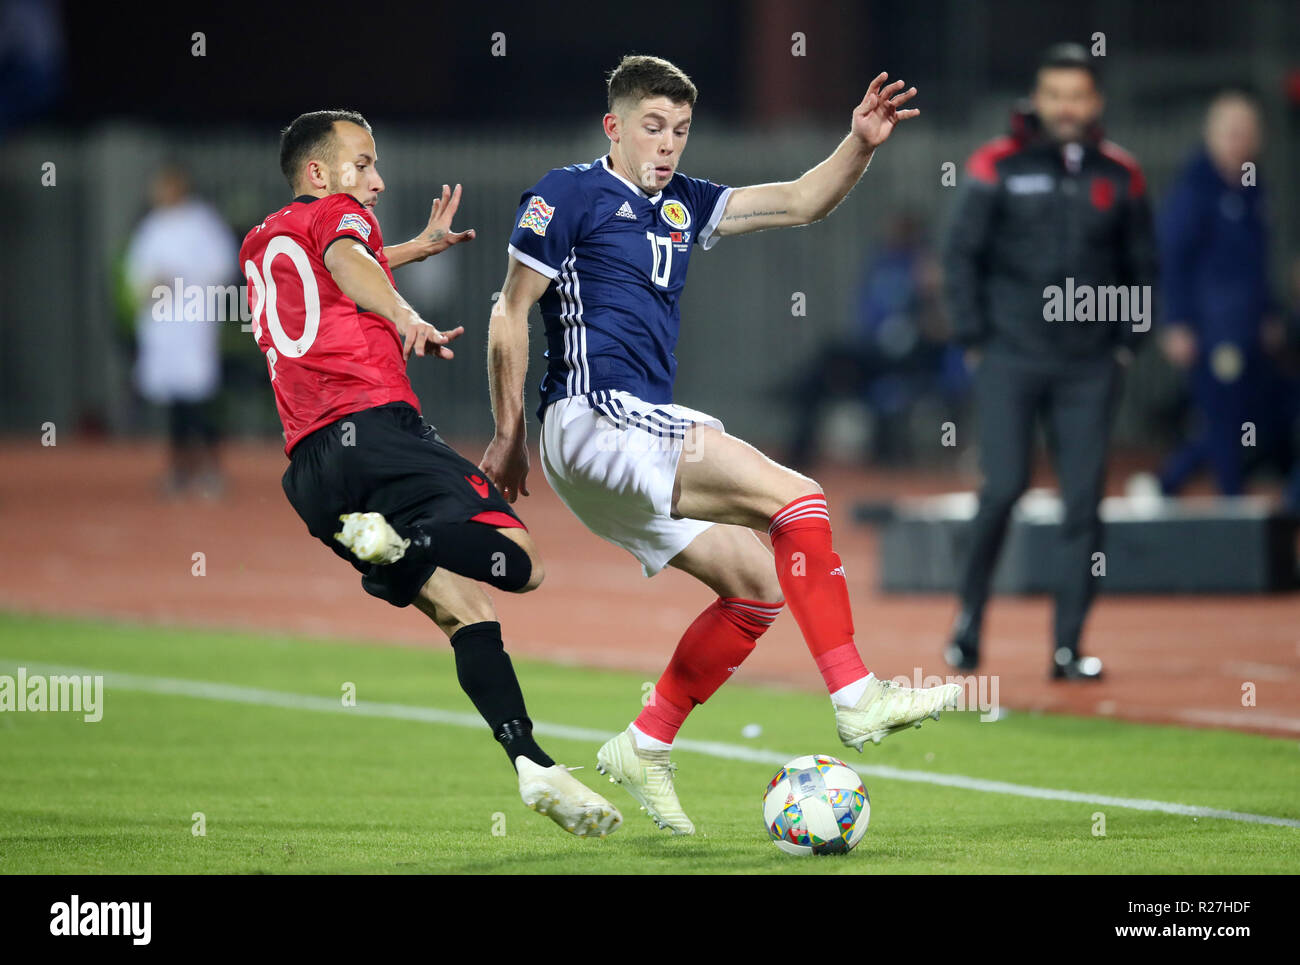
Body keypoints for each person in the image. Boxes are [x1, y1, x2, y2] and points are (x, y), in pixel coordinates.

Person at [482, 55, 960, 836]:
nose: (667, 145)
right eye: (652, 127)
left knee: (757, 586)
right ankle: (856, 696)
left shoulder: (685, 203)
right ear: (614, 127)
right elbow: (509, 311)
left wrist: (860, 144)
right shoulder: (566, 192)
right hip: (595, 416)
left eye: (680, 130)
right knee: (797, 496)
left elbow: (802, 201)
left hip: (622, 444)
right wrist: (507, 433)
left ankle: (645, 741)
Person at [239, 109, 621, 838]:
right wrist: (405, 310)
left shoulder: (262, 238)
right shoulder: (341, 217)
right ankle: (399, 550)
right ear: (318, 174)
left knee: (466, 613)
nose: (376, 180)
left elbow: (328, 268)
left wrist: (412, 247)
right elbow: (349, 265)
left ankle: (531, 762)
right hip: (378, 431)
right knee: (524, 564)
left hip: (315, 474)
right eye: (363, 163)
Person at [941, 43, 1156, 680]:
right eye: (1055, 93)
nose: (1066, 106)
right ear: (1038, 99)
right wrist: (975, 336)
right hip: (1010, 355)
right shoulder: (996, 163)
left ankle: (1068, 647)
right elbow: (961, 256)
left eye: (1078, 95)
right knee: (1002, 489)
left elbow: (1142, 265)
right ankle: (968, 622)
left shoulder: (1122, 173)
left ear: (1096, 104)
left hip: (1090, 366)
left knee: (1084, 504)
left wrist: (1126, 343)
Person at [1157, 92, 1278, 499]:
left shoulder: (1253, 189)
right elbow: (1172, 260)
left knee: (1250, 416)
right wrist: (1177, 323)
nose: (1239, 141)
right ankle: (1231, 506)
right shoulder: (1193, 190)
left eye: (1247, 133)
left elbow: (1260, 262)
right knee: (1224, 419)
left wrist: (1269, 313)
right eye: (1231, 132)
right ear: (1211, 135)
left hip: (1248, 328)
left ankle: (1168, 481)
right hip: (1209, 329)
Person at [125, 164, 237, 498]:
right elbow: (136, 273)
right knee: (174, 400)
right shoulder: (151, 227)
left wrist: (179, 276)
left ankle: (211, 468)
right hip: (162, 326)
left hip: (192, 322)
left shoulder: (202, 224)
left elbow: (222, 265)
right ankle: (179, 469)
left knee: (199, 397)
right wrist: (147, 286)